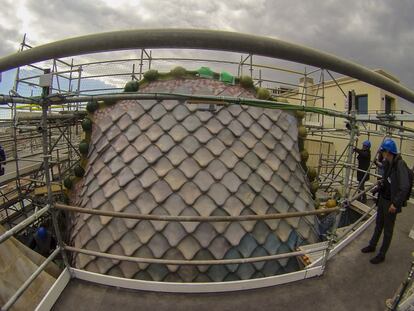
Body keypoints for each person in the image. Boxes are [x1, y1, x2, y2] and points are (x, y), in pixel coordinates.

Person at [361, 139, 411, 264]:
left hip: (391, 203)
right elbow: (386, 180)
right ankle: (372, 245)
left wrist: (395, 203)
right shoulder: (388, 163)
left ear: (388, 152)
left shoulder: (400, 165)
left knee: (388, 229)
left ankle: (382, 254)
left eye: (383, 151)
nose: (381, 153)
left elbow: (404, 186)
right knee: (378, 224)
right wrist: (378, 187)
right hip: (383, 199)